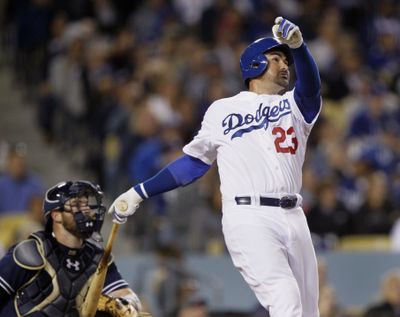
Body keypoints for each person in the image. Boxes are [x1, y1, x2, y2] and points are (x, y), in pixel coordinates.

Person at [110, 16, 322, 317]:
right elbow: (193, 164)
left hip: (294, 215)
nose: (284, 64)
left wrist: (299, 48)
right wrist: (139, 192)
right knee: (286, 300)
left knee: (308, 311)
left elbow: (311, 92)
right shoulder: (223, 110)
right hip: (249, 216)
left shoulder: (293, 106)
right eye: (275, 58)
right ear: (254, 65)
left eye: (286, 59)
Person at [0, 180, 143, 317]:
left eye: (86, 203)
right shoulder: (32, 251)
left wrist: (125, 304)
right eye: (77, 204)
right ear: (56, 215)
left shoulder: (97, 258)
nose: (86, 209)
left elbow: (127, 296)